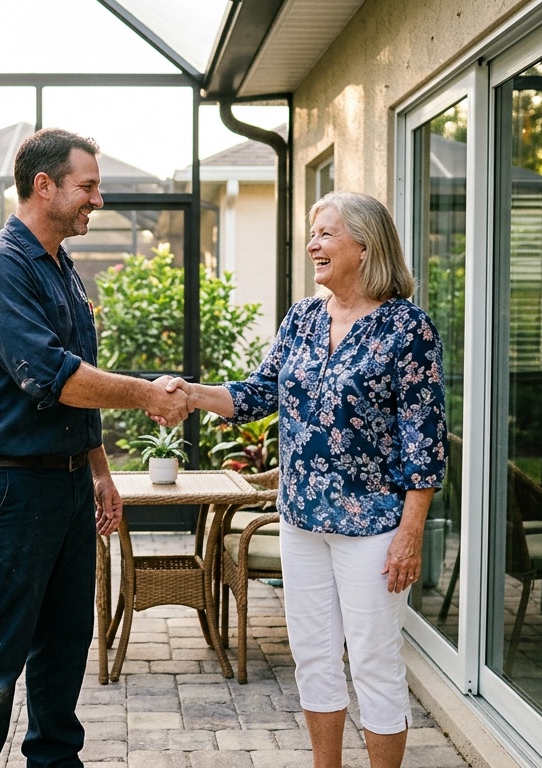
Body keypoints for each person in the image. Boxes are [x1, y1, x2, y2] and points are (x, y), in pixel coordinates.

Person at [164, 191, 446, 768]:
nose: (313, 245)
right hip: (302, 520)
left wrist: (411, 530)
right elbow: (258, 393)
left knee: (374, 659)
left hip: (372, 526)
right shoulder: (303, 318)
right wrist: (193, 395)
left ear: (365, 246)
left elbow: (425, 441)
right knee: (314, 655)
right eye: (312, 234)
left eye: (325, 234)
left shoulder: (407, 329)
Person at [0, 127, 192, 768]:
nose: (97, 200)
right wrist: (146, 395)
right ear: (44, 185)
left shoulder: (61, 268)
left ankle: (55, 761)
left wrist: (101, 472)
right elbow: (52, 376)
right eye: (88, 186)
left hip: (63, 485)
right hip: (9, 489)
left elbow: (78, 381)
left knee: (64, 641)